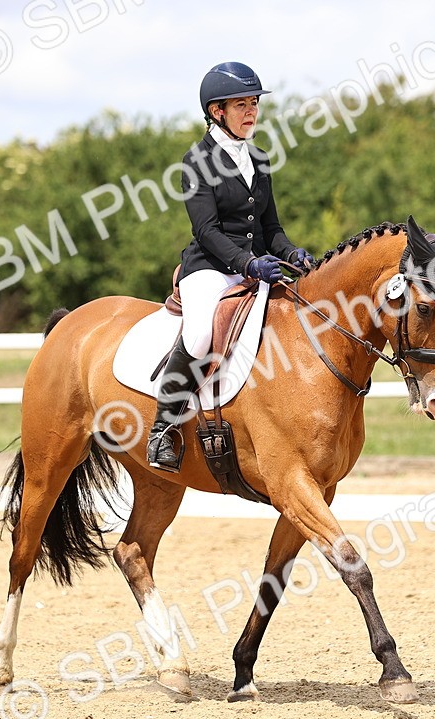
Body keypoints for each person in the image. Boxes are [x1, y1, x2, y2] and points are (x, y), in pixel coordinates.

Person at [145, 61, 313, 473]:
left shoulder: (259, 158)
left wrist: (293, 254)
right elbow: (206, 229)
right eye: (242, 104)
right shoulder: (196, 160)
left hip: (256, 266)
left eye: (254, 103)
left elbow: (271, 227)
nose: (252, 111)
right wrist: (248, 263)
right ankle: (162, 429)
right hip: (210, 267)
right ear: (217, 111)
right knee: (201, 332)